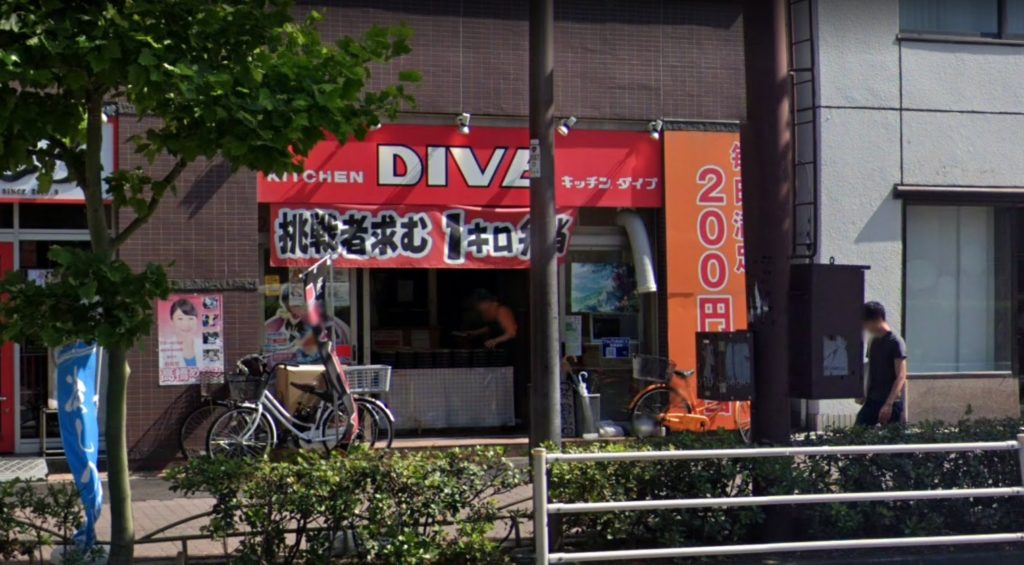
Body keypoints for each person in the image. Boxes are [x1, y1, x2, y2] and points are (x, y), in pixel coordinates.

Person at [856, 301, 907, 426]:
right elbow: (870, 368)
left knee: (892, 436)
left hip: (891, 402)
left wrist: (889, 404)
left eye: (866, 323)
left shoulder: (895, 342)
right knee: (859, 430)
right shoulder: (873, 341)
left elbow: (901, 376)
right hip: (872, 400)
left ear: (877, 320)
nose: (865, 327)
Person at [168, 298, 201, 368]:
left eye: (190, 318)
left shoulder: (202, 344)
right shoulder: (166, 347)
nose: (186, 324)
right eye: (180, 319)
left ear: (196, 320)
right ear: (172, 322)